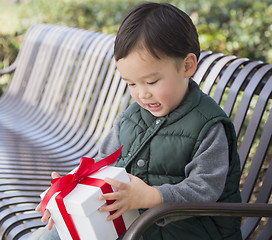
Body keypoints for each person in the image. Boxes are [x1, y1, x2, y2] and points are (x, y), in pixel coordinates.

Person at [31, 2, 242, 239]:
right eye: (131, 83)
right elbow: (103, 165)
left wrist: (152, 197)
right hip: (136, 224)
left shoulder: (208, 126)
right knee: (50, 235)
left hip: (189, 233)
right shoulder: (131, 117)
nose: (142, 94)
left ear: (187, 66)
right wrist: (70, 193)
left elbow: (204, 189)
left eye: (151, 82)